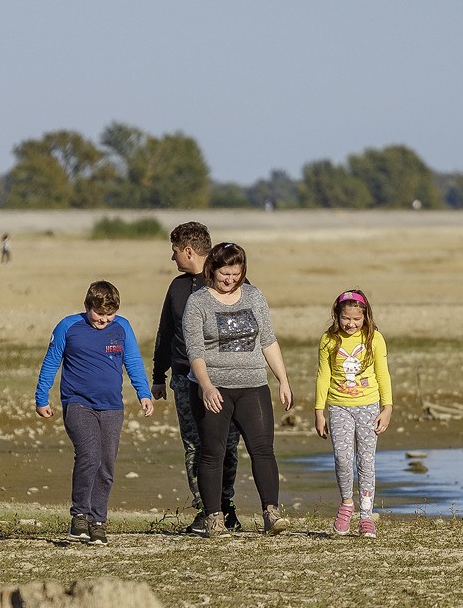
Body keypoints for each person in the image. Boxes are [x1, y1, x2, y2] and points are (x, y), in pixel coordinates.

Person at [182, 242, 293, 537]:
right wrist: (205, 386)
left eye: (236, 273)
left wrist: (282, 379)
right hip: (213, 387)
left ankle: (271, 513)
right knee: (213, 452)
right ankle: (214, 517)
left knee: (263, 449)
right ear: (212, 270)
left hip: (253, 385)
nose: (230, 279)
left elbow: (268, 340)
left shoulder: (254, 296)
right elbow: (195, 351)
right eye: (224, 274)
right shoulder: (198, 303)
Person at [34, 280, 154, 545]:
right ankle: (79, 516)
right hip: (78, 404)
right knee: (89, 454)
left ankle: (98, 520)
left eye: (109, 314)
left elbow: (132, 360)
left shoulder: (121, 327)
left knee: (106, 462)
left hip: (112, 406)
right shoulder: (68, 326)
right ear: (88, 306)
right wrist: (41, 397)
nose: (104, 319)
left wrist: (143, 393)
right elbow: (51, 362)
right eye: (99, 313)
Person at [151, 222, 243, 534]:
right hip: (183, 379)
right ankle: (206, 509)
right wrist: (158, 376)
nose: (173, 258)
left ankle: (225, 505)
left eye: (175, 251)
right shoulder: (177, 288)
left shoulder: (226, 283)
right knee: (194, 445)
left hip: (225, 380)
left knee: (227, 446)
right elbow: (166, 333)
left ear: (189, 251)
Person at [314, 289, 392, 537]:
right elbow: (323, 375)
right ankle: (347, 504)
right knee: (343, 459)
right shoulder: (328, 340)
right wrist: (319, 411)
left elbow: (383, 374)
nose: (351, 324)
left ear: (365, 316)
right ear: (337, 315)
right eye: (346, 318)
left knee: (366, 461)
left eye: (357, 319)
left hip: (369, 407)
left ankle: (367, 516)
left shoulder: (374, 339)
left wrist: (387, 408)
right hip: (338, 407)